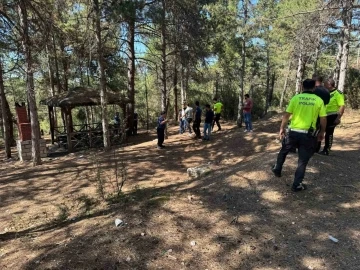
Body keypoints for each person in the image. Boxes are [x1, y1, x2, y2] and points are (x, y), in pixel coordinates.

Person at [271, 79, 327, 192]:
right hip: (308, 135)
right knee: (302, 160)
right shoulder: (318, 100)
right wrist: (322, 132)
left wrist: (282, 128)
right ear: (314, 88)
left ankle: (277, 169)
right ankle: (296, 184)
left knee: (284, 150)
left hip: (293, 132)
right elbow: (323, 118)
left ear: (302, 87)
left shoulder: (296, 98)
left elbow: (287, 115)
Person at [318, 78, 345, 155]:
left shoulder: (338, 93)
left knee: (329, 133)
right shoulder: (325, 92)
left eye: (325, 84)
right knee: (319, 130)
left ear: (329, 84)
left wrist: (338, 118)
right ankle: (316, 148)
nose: (324, 85)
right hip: (323, 115)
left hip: (332, 115)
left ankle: (326, 150)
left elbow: (342, 106)